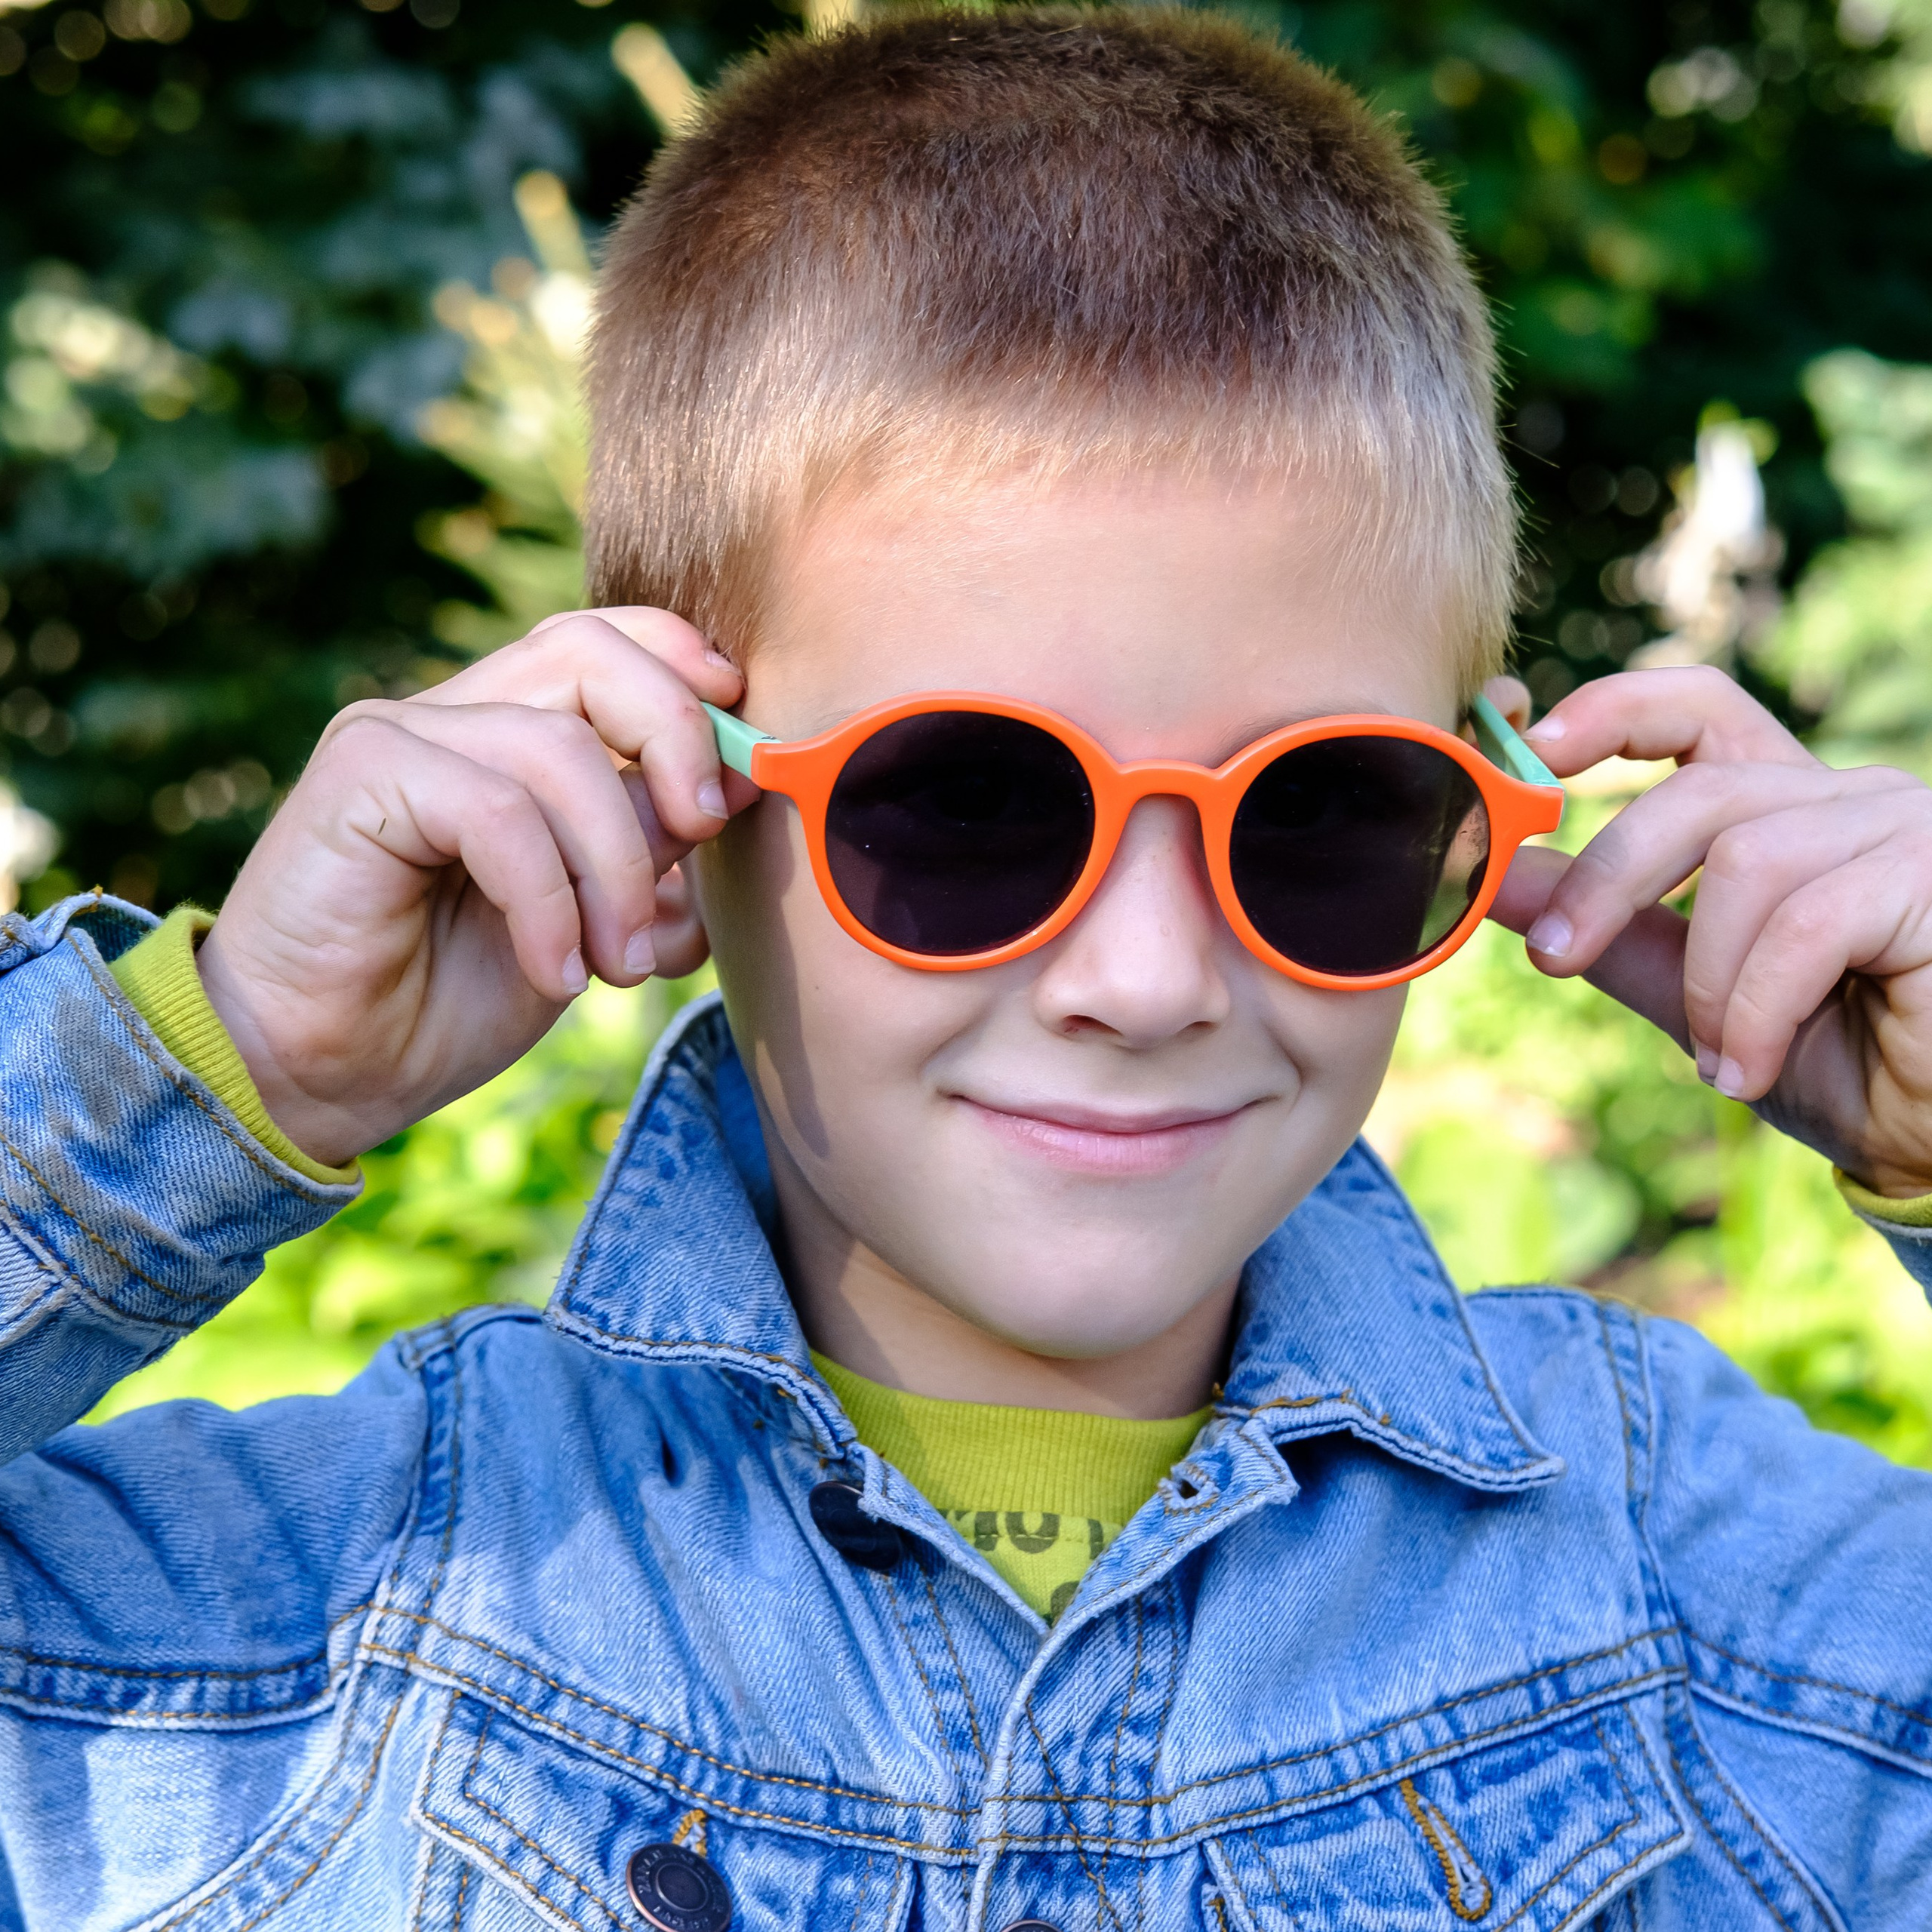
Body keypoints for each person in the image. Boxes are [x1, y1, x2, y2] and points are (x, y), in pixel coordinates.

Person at [3, 9, 1930, 1927]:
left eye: (1321, 817)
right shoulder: (283, 1625)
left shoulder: (1705, 1588)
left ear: (1488, 802)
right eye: (968, 810)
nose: (1150, 975)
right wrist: (224, 1061)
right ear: (660, 796)